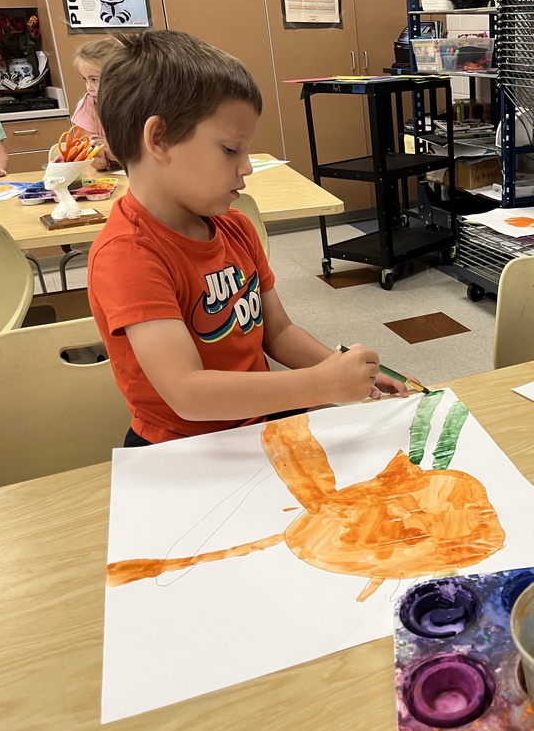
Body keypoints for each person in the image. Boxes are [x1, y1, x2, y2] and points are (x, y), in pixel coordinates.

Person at [88, 29, 413, 447]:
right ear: (159, 139)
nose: (246, 167)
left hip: (256, 425)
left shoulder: (236, 227)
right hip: (180, 447)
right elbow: (187, 393)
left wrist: (346, 371)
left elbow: (278, 332)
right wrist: (319, 384)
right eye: (230, 150)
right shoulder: (128, 254)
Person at [71, 36, 124, 171]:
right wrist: (98, 158)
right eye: (85, 79)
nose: (89, 87)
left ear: (117, 77)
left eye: (94, 79)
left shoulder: (137, 103)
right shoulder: (87, 105)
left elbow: (146, 161)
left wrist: (117, 155)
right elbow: (98, 164)